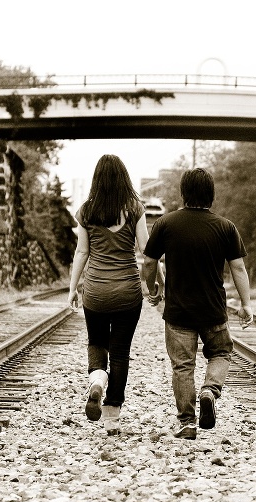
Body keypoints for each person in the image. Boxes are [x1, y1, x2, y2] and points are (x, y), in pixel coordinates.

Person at [142, 167, 253, 440]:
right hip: (213, 310)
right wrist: (246, 304)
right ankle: (210, 390)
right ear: (211, 194)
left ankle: (187, 422)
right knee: (221, 352)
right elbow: (238, 268)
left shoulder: (165, 224)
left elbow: (148, 262)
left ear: (183, 194)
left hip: (178, 311)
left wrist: (152, 288)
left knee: (183, 366)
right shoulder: (225, 227)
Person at [68, 154, 163, 435]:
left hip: (95, 290)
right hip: (126, 293)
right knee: (120, 353)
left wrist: (73, 288)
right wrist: (156, 284)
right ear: (124, 178)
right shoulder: (135, 208)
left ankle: (97, 380)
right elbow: (147, 252)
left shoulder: (86, 211)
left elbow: (82, 252)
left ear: (97, 179)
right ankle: (111, 416)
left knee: (96, 342)